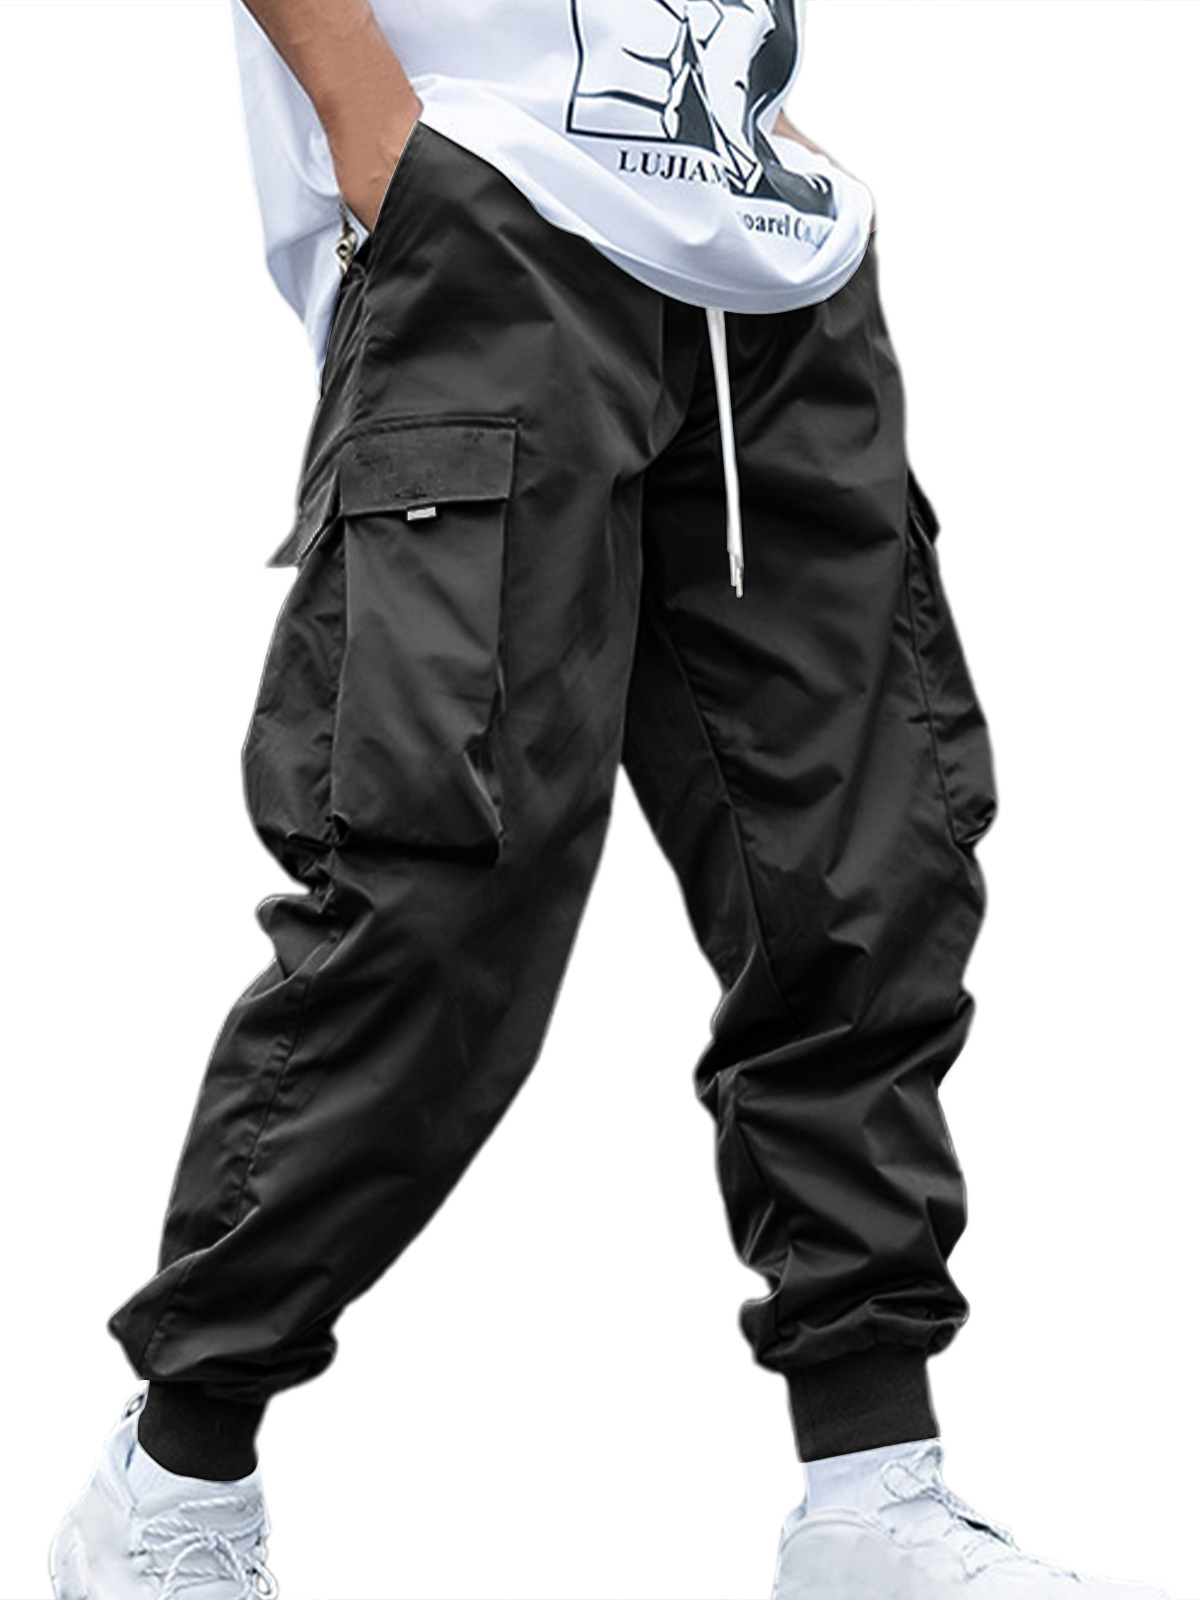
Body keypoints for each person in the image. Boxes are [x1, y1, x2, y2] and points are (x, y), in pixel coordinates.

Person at [47, 4, 1172, 1598]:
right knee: (439, 880)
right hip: (499, 225)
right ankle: (177, 1476)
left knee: (864, 874)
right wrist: (376, 129)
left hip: (768, 262)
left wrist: (762, 130)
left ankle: (872, 1497)